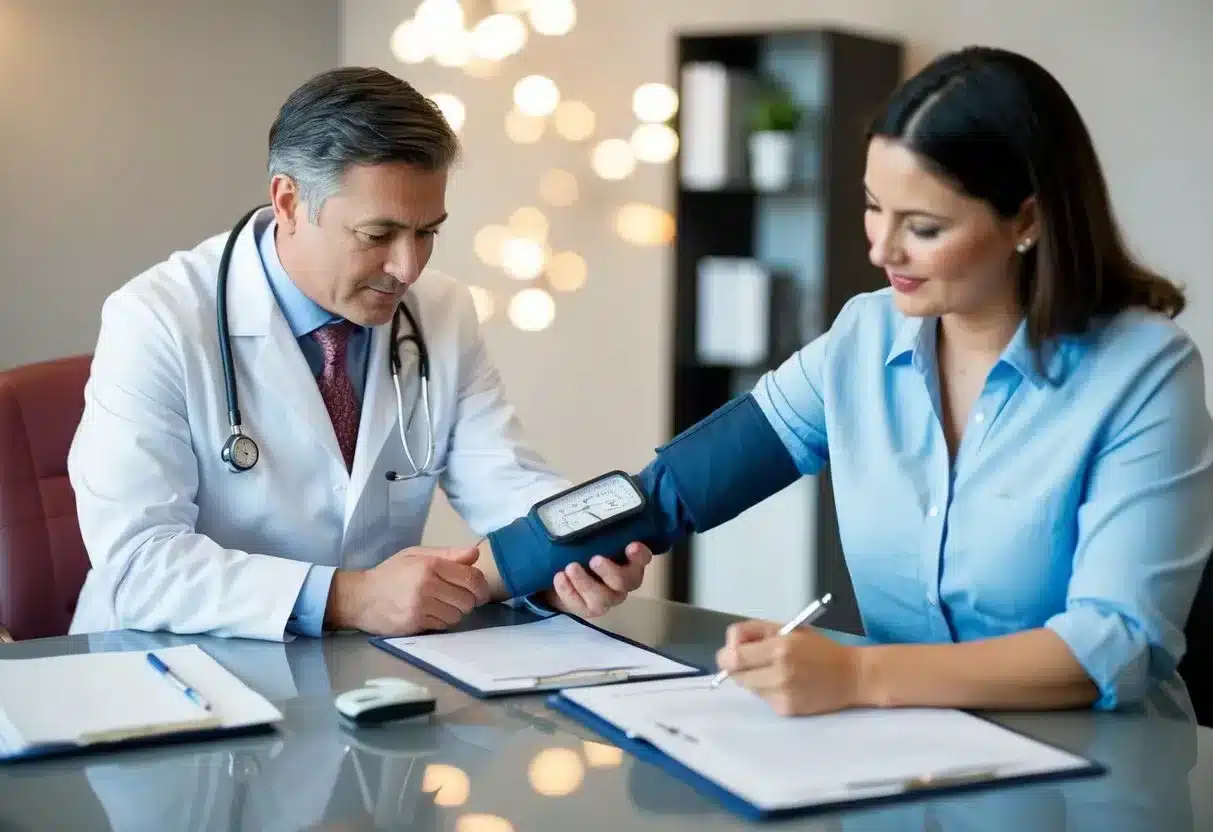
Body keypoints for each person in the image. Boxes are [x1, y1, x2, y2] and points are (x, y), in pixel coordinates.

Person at [485, 45, 1213, 718]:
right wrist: (490, 570)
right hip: (898, 753)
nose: (880, 247)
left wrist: (858, 676)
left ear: (1025, 218)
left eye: (922, 225)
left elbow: (1115, 642)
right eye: (872, 206)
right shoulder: (864, 337)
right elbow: (671, 492)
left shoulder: (1144, 371)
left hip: (1099, 777)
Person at [66, 66, 653, 641]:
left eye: (428, 232)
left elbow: (505, 481)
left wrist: (565, 554)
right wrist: (350, 597)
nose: (408, 267)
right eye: (378, 235)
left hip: (357, 680)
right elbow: (136, 562)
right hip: (166, 674)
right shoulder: (155, 318)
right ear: (290, 202)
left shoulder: (441, 311)